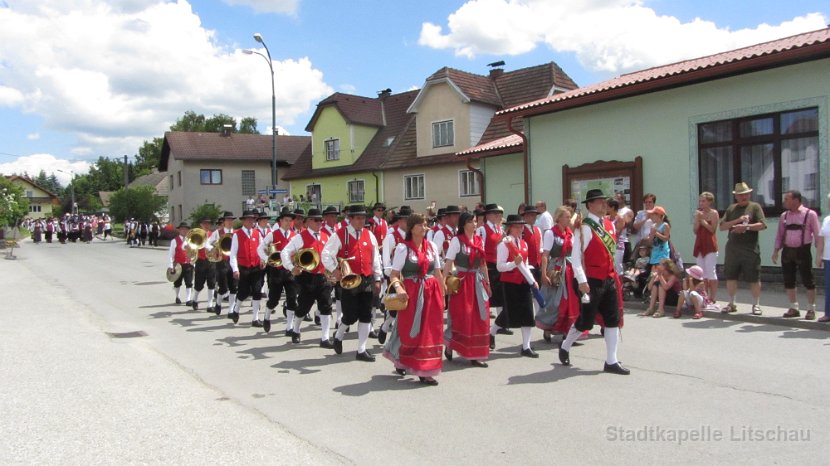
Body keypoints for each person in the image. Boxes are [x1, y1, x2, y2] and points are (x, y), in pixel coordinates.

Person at [558, 189, 629, 375]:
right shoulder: (585, 227)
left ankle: (611, 361)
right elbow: (576, 257)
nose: (603, 205)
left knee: (612, 320)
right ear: (590, 205)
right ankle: (565, 345)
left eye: (604, 202)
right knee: (586, 322)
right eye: (599, 202)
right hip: (591, 280)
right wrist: (581, 281)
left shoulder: (609, 225)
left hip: (609, 278)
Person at [383, 213, 446, 385]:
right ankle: (403, 359)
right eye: (420, 225)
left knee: (430, 331)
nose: (424, 227)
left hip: (431, 292)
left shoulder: (432, 246)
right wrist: (399, 288)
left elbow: (438, 273)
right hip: (411, 293)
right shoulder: (403, 249)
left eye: (425, 224)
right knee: (410, 330)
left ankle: (425, 369)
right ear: (411, 228)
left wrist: (442, 295)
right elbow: (394, 275)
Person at [321, 205, 383, 361]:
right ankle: (339, 335)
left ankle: (361, 350)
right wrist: (335, 270)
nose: (361, 221)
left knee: (366, 315)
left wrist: (377, 278)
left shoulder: (369, 235)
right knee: (350, 316)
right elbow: (326, 254)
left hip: (367, 278)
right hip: (349, 280)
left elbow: (376, 258)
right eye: (358, 218)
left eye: (363, 218)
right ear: (350, 219)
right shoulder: (339, 235)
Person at [442, 211, 491, 367]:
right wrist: (443, 283)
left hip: (477, 282)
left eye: (475, 221)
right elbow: (448, 263)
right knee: (461, 317)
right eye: (471, 221)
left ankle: (475, 354)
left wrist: (487, 283)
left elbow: (483, 263)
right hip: (462, 283)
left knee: (479, 318)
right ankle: (450, 345)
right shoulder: (457, 241)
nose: (474, 224)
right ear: (464, 224)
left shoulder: (479, 240)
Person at [280, 208, 333, 344]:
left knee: (326, 306)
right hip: (307, 277)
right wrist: (291, 268)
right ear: (308, 221)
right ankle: (296, 330)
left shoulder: (326, 237)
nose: (320, 223)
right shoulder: (300, 237)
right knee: (304, 307)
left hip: (322, 276)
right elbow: (284, 252)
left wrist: (333, 270)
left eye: (321, 220)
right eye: (316, 220)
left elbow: (330, 256)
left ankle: (325, 338)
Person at [492, 214, 541, 357]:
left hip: (523, 282)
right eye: (518, 226)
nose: (521, 229)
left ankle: (526, 347)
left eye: (522, 226)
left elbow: (525, 265)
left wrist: (532, 280)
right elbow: (500, 266)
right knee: (508, 313)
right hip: (509, 283)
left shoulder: (524, 243)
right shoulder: (504, 244)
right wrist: (514, 263)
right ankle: (492, 333)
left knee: (527, 313)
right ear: (510, 228)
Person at [719, 182, 767, 315]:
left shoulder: (755, 207)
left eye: (745, 194)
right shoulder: (731, 208)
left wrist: (746, 227)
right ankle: (731, 303)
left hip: (750, 249)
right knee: (730, 276)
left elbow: (762, 225)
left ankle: (756, 304)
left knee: (754, 277)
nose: (743, 197)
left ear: (749, 194)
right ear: (736, 197)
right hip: (733, 249)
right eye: (740, 195)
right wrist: (737, 221)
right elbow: (722, 226)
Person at [772, 190, 821, 320]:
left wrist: (819, 254)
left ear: (796, 200)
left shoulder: (810, 214)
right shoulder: (784, 216)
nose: (784, 202)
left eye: (787, 199)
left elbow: (817, 235)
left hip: (803, 251)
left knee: (808, 280)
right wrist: (776, 251)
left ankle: (811, 309)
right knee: (789, 280)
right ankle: (793, 307)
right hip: (788, 251)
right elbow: (780, 235)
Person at [537, 206, 580, 342]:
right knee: (553, 301)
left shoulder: (570, 233)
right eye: (567, 217)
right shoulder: (551, 233)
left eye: (569, 216)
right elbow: (545, 255)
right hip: (556, 268)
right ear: (559, 218)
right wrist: (544, 274)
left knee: (569, 300)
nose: (569, 219)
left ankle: (567, 331)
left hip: (568, 268)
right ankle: (547, 328)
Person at [258, 207, 299, 334]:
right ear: (280, 221)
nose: (288, 223)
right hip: (276, 271)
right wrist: (267, 259)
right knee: (274, 299)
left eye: (289, 220)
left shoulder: (295, 235)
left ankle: (289, 327)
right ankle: (267, 316)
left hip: (290, 271)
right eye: (285, 220)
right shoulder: (273, 234)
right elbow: (260, 248)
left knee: (292, 299)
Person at [228, 210, 265, 326]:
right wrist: (235, 269)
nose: (251, 221)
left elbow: (261, 249)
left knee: (257, 291)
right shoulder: (237, 235)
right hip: (243, 267)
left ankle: (255, 318)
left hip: (256, 267)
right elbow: (233, 253)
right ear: (243, 221)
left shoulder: (257, 233)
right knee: (244, 292)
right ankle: (236, 309)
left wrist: (264, 259)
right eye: (248, 219)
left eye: (252, 219)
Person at [476, 204, 506, 326]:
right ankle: (483, 320)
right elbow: (480, 248)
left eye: (498, 213)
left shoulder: (499, 228)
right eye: (494, 213)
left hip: (499, 263)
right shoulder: (482, 229)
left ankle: (501, 323)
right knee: (487, 292)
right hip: (488, 264)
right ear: (487, 215)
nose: (497, 215)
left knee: (500, 294)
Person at [207, 212, 237, 316]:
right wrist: (213, 248)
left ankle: (231, 310)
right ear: (224, 221)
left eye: (231, 220)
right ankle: (218, 303)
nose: (229, 222)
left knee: (233, 287)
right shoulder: (217, 232)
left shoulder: (236, 233)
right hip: (222, 262)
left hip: (233, 262)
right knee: (223, 287)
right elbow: (207, 243)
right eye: (227, 220)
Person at [692, 192, 720, 306]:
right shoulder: (699, 213)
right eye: (700, 201)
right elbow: (695, 230)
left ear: (709, 202)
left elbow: (712, 229)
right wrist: (698, 220)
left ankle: (713, 297)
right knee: (701, 272)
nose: (701, 203)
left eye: (703, 201)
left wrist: (703, 221)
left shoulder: (714, 213)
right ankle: (705, 295)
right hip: (700, 244)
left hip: (710, 245)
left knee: (710, 271)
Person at [191, 217, 217, 312]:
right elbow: (192, 246)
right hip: (201, 261)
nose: (207, 225)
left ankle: (210, 305)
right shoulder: (197, 235)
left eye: (208, 223)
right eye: (205, 223)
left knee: (212, 283)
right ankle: (195, 299)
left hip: (211, 261)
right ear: (201, 225)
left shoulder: (213, 235)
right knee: (199, 284)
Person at [167, 222, 195, 305]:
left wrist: (193, 263)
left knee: (189, 282)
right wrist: (171, 266)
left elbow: (194, 253)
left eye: (186, 229)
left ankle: (188, 299)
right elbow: (171, 254)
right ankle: (177, 296)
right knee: (177, 282)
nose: (184, 230)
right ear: (179, 230)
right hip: (178, 265)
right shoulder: (174, 241)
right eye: (182, 229)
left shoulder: (191, 240)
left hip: (188, 264)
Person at [816, 193, 830, 323]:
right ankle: (828, 314)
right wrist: (819, 256)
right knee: (829, 287)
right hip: (828, 258)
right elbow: (821, 240)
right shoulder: (826, 220)